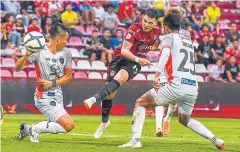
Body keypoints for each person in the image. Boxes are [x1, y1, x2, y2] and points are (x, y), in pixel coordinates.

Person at [119, 10, 225, 149]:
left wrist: (156, 75)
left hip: (176, 85)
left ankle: (135, 140)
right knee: (184, 120)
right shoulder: (188, 39)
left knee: (140, 103)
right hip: (193, 86)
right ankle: (216, 139)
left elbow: (165, 54)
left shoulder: (168, 37)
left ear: (166, 28)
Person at [83, 9, 161, 139]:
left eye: (149, 22)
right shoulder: (134, 28)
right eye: (144, 20)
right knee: (110, 92)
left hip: (133, 63)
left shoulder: (158, 32)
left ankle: (93, 99)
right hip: (120, 58)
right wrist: (138, 58)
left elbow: (169, 35)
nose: (145, 24)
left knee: (120, 78)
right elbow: (125, 51)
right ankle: (105, 122)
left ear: (155, 23)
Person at [16, 23, 74, 143]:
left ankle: (27, 129)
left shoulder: (66, 52)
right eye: (65, 39)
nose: (66, 42)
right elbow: (17, 68)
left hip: (58, 94)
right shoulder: (38, 51)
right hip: (44, 97)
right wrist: (25, 56)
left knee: (58, 125)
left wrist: (52, 83)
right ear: (58, 38)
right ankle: (34, 129)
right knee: (68, 125)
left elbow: (68, 77)